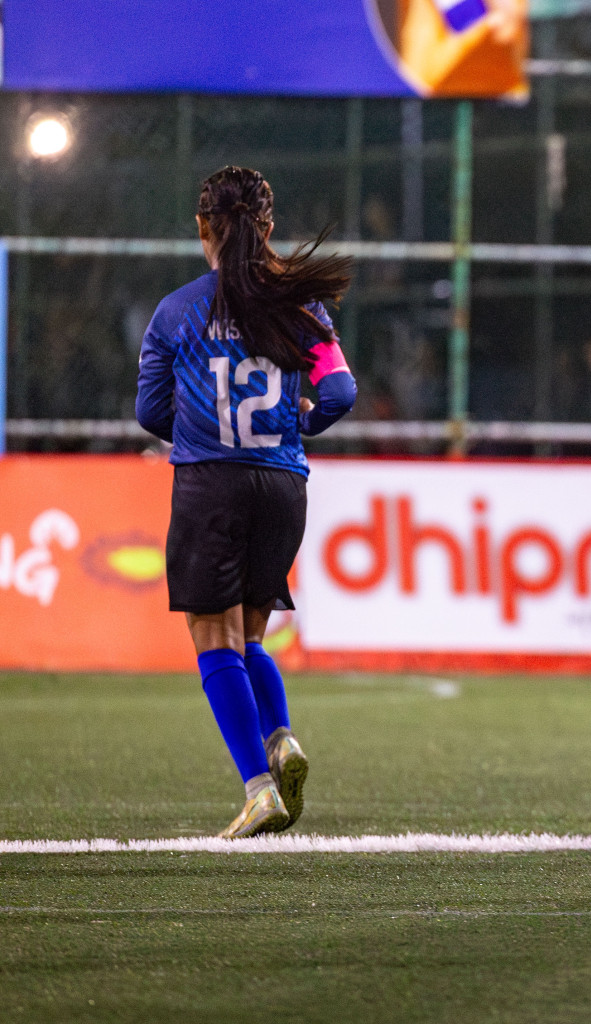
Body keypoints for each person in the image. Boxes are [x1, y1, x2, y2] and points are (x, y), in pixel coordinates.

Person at [135, 166, 357, 839]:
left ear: (202, 228)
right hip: (284, 489)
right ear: (267, 228)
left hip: (212, 485)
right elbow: (341, 394)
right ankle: (280, 735)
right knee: (251, 634)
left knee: (213, 639)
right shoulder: (301, 307)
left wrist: (204, 428)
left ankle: (260, 786)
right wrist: (297, 426)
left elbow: (150, 411)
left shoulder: (177, 311)